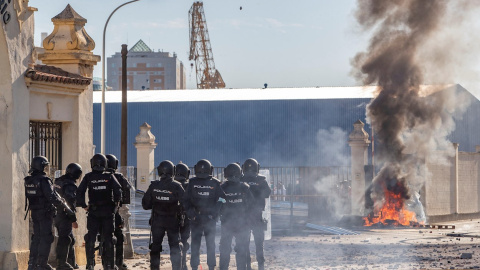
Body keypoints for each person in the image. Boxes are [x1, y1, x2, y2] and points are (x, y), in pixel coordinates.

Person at [24, 156, 75, 270]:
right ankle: (42, 264)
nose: (46, 168)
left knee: (36, 237)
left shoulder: (29, 180)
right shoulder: (44, 180)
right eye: (45, 166)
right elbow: (52, 196)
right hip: (45, 213)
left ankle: (32, 264)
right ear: (40, 166)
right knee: (46, 238)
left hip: (35, 213)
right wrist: (64, 207)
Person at [77, 153, 122, 270]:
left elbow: (80, 191)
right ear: (105, 164)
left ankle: (90, 264)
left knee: (90, 238)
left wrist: (83, 205)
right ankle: (109, 265)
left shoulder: (88, 177)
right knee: (109, 238)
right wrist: (116, 204)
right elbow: (118, 190)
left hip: (93, 212)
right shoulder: (110, 176)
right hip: (108, 212)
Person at [183, 159, 226, 270]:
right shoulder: (215, 183)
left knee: (195, 244)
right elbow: (222, 199)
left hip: (197, 218)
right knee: (210, 244)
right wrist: (215, 213)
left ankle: (195, 267)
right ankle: (210, 267)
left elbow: (185, 200)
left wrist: (191, 214)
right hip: (207, 218)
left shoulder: (192, 182)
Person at [142, 160, 185, 270]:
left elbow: (145, 205)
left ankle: (154, 268)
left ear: (159, 171)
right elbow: (186, 203)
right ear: (173, 171)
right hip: (172, 221)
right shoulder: (177, 186)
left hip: (157, 221)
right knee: (175, 246)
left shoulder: (154, 186)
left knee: (155, 246)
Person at [219, 163, 254, 270]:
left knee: (225, 249)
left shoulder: (222, 188)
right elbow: (251, 205)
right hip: (242, 224)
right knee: (241, 249)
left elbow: (218, 204)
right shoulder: (245, 187)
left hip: (226, 223)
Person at [241, 158, 271, 270]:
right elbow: (267, 193)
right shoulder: (261, 180)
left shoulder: (241, 179)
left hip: (244, 216)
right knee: (259, 243)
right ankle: (261, 266)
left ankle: (248, 265)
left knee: (245, 243)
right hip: (257, 215)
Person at [54, 163, 83, 270]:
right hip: (64, 215)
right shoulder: (70, 185)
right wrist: (73, 220)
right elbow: (69, 204)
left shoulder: (58, 181)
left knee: (70, 238)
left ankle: (71, 262)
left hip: (56, 214)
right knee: (65, 239)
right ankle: (61, 264)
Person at [106, 154, 132, 270]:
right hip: (115, 211)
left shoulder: (97, 176)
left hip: (99, 212)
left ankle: (106, 262)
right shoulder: (118, 176)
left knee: (104, 237)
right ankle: (119, 262)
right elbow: (127, 188)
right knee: (119, 237)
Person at [174, 162, 191, 270]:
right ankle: (183, 264)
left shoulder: (171, 184)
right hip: (186, 216)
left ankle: (176, 265)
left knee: (175, 242)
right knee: (184, 241)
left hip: (172, 216)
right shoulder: (190, 185)